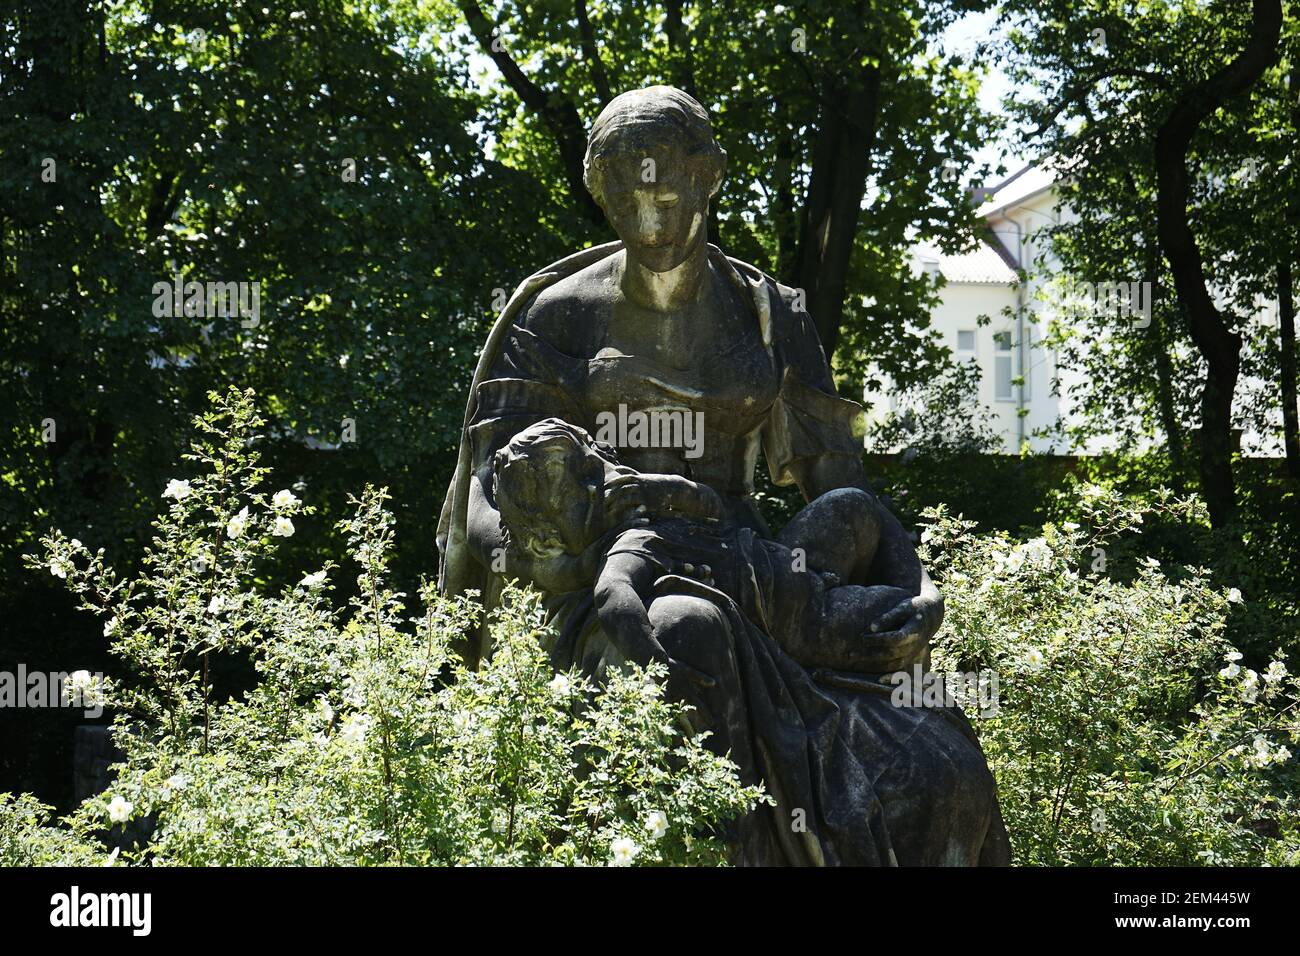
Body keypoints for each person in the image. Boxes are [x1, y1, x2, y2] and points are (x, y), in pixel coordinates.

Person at [439, 86, 1010, 865]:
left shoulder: (772, 311)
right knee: (686, 631)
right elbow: (489, 499)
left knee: (928, 736)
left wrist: (915, 588)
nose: (647, 218)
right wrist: (574, 559)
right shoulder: (554, 314)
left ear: (710, 175)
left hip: (751, 570)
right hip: (603, 581)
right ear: (599, 191)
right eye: (624, 198)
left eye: (666, 192)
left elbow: (845, 492)